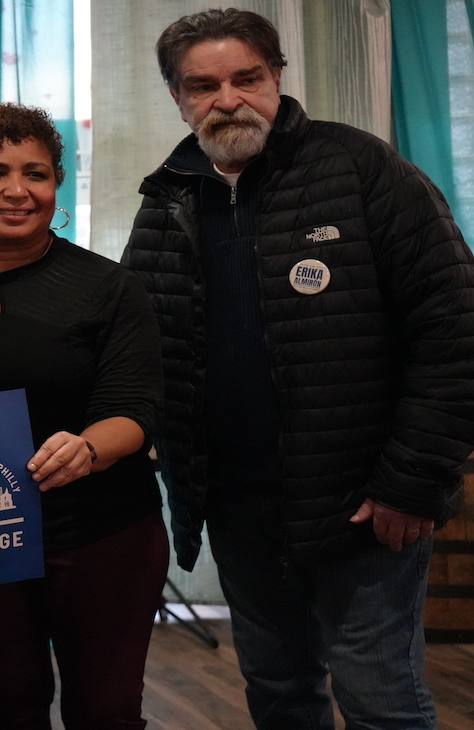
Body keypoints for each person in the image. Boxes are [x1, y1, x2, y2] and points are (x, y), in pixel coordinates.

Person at [122, 9, 474, 729]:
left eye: (246, 78)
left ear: (277, 77)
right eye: (204, 85)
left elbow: (456, 328)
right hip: (239, 504)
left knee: (381, 701)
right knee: (278, 691)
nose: (228, 100)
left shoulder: (361, 168)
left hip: (367, 506)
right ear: (178, 98)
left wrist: (409, 482)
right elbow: (138, 344)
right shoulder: (166, 201)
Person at [0, 103, 167, 729]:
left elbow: (135, 411)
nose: (17, 190)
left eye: (36, 172)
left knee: (103, 711)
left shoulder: (109, 287)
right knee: (8, 703)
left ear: (56, 184)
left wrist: (86, 447)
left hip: (98, 532)